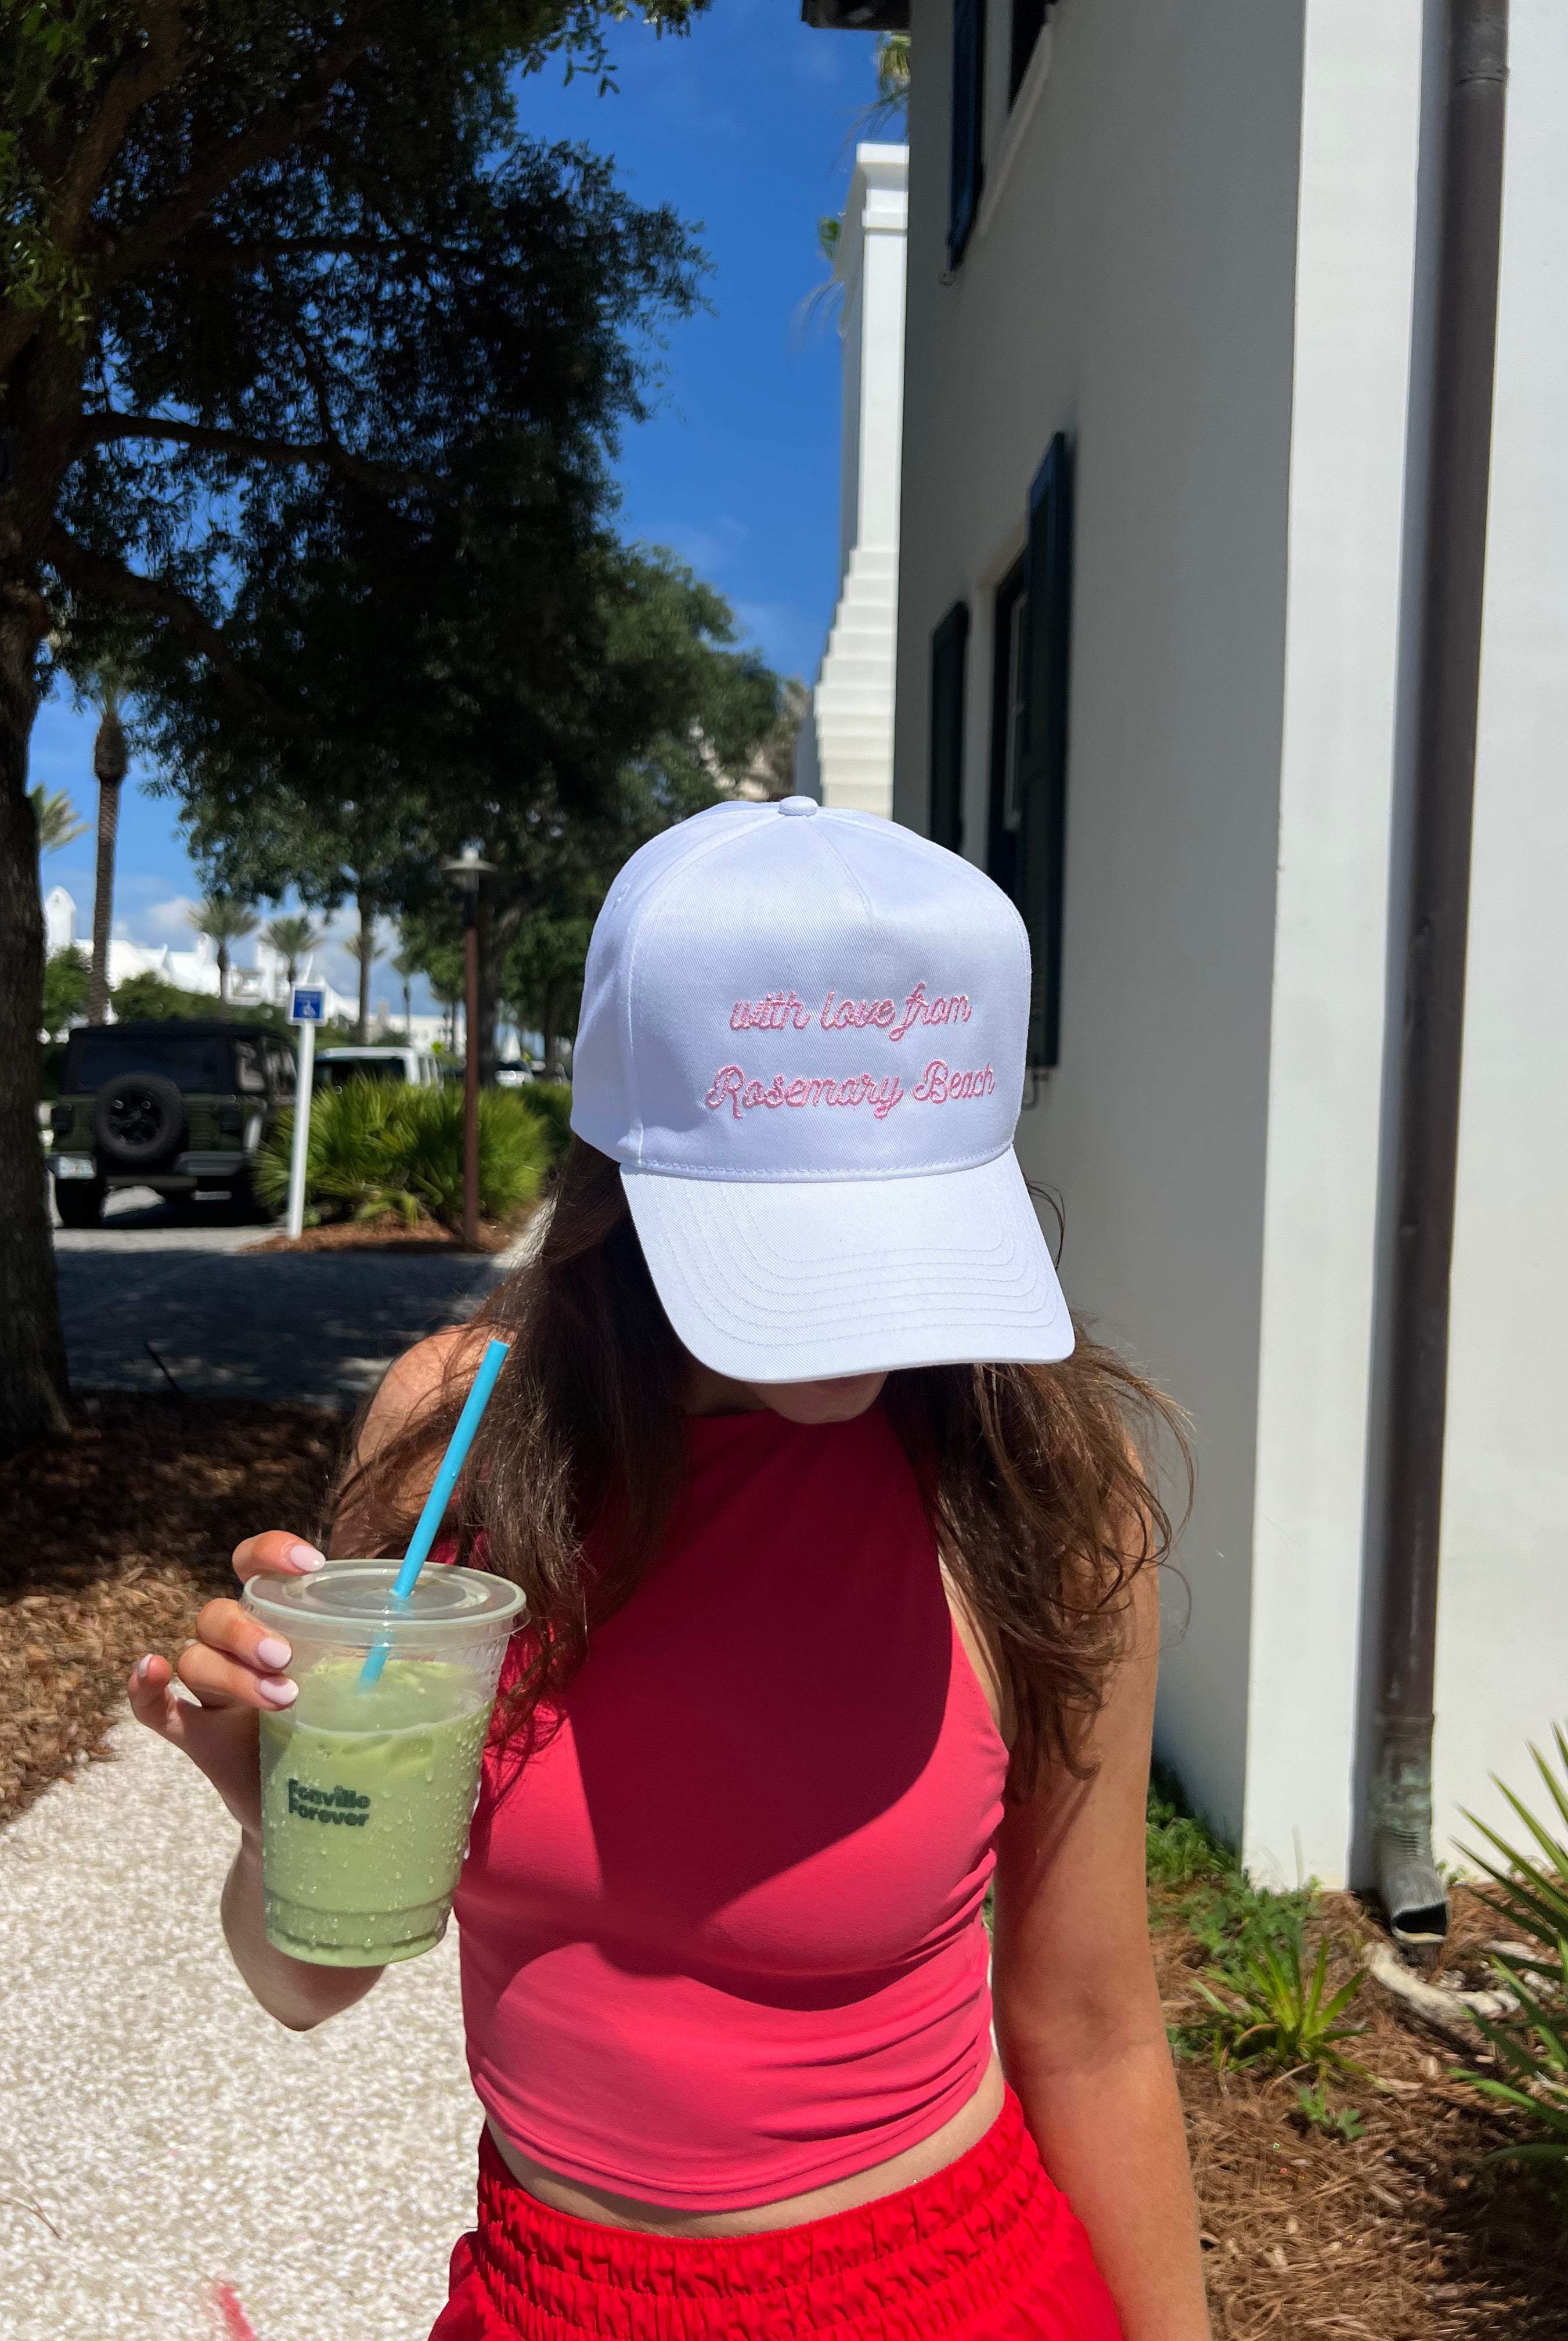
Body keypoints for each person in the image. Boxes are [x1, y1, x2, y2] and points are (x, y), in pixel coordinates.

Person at [131, 798, 1212, 2340]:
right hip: (548, 2297)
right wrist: (276, 1803)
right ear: (618, 1172)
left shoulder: (1033, 1480)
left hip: (948, 2295)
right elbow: (307, 1985)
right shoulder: (460, 1437)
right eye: (798, 1243)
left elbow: (1096, 2035)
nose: (865, 1327)